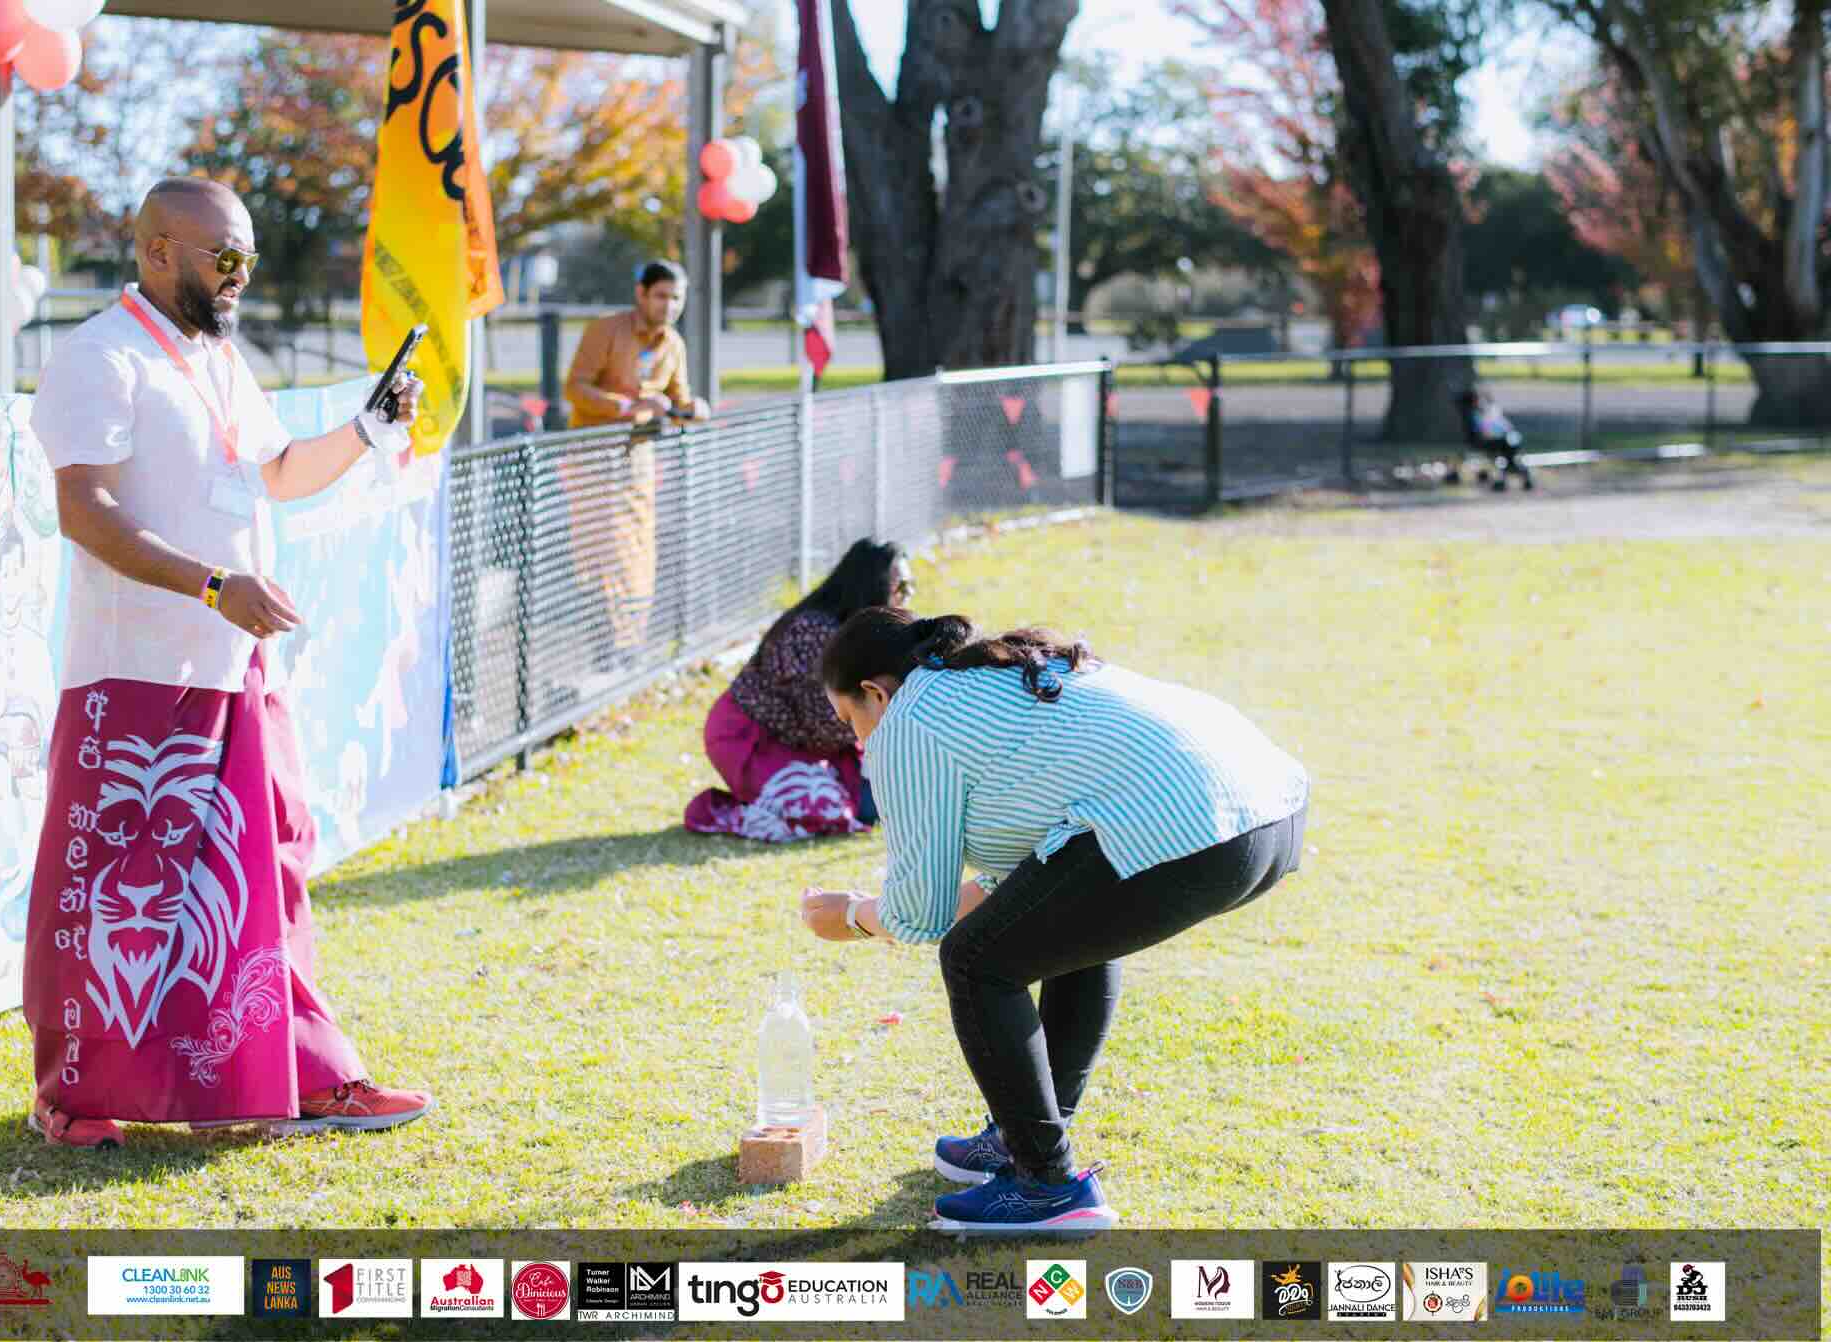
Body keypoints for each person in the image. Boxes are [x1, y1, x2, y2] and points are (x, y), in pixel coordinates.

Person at [21, 177, 432, 1149]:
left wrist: (366, 432)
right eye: (224, 257)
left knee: (269, 871)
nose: (240, 275)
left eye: (246, 257)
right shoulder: (99, 355)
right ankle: (72, 1097)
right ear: (158, 250)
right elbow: (83, 510)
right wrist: (214, 585)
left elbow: (279, 473)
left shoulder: (216, 357)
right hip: (134, 674)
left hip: (236, 668)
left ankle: (314, 1080)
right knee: (112, 893)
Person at [797, 608, 1310, 1233]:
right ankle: (1029, 1140)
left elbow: (920, 914)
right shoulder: (982, 687)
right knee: (1047, 933)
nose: (856, 742)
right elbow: (1014, 891)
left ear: (877, 692)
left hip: (1200, 823)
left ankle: (1047, 1184)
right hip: (1268, 812)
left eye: (851, 720)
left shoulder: (911, 719)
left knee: (974, 962)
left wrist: (850, 916)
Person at [685, 538, 911, 842]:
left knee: (885, 802)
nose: (906, 599)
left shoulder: (849, 633)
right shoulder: (815, 630)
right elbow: (822, 727)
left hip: (806, 743)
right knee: (830, 812)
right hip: (749, 737)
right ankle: (718, 810)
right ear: (872, 586)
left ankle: (769, 799)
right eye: (901, 589)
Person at [560, 261, 712, 658]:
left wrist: (692, 408)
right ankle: (601, 644)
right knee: (599, 554)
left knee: (636, 552)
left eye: (676, 297)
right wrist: (629, 406)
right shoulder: (606, 330)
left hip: (636, 463)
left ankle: (630, 644)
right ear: (640, 294)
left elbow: (678, 397)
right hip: (593, 459)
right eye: (661, 295)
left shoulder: (673, 344)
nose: (669, 305)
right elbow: (575, 388)